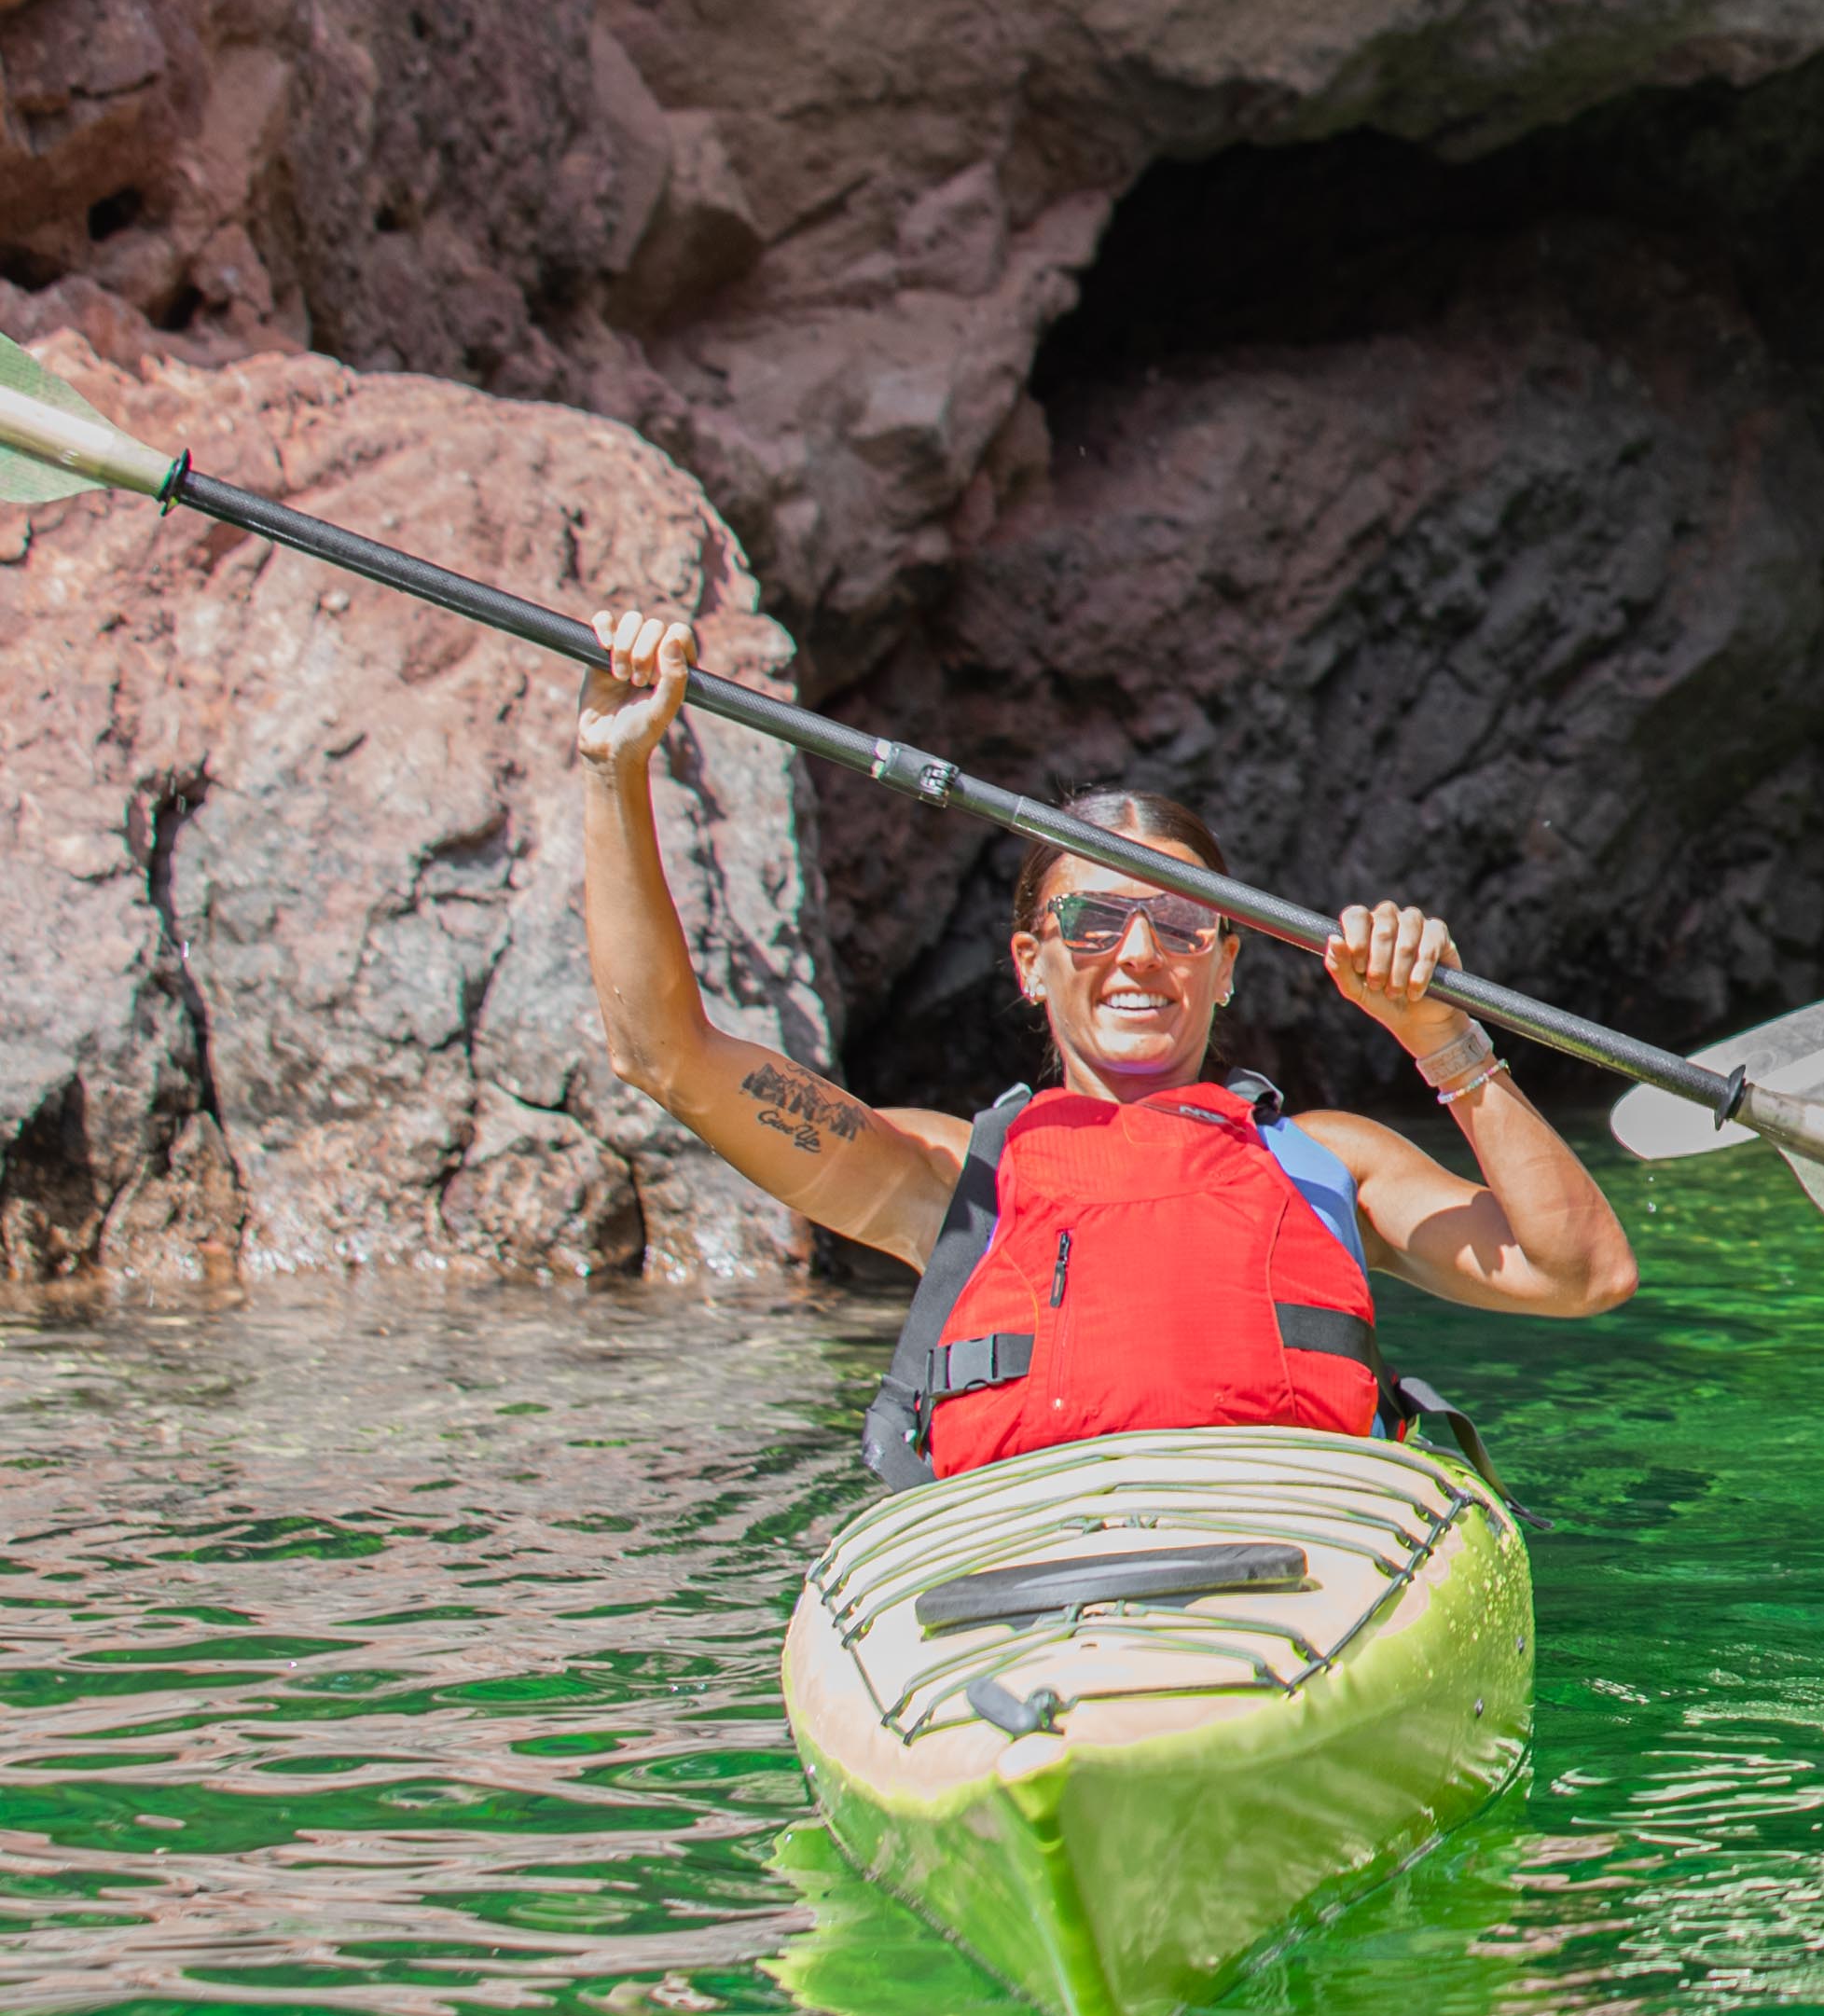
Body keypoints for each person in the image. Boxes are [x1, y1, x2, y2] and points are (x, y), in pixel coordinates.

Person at [568, 609, 1637, 1481]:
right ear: (1031, 961)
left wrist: (1439, 1034)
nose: (1137, 954)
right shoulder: (954, 1183)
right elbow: (663, 1052)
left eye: (1180, 924)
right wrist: (615, 773)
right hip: (1038, 1581)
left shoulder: (1329, 1161)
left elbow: (1582, 1273)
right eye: (1092, 922)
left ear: (1225, 965)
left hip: (1309, 1563)